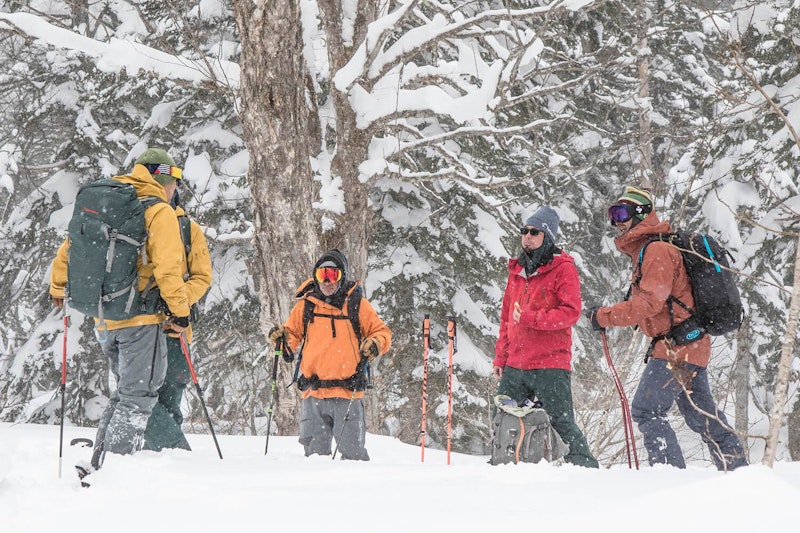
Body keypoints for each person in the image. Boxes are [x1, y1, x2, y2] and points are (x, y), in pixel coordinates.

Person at [585, 185, 748, 471]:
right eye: (612, 214)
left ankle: (667, 475)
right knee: (701, 416)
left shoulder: (657, 250)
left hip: (680, 346)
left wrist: (604, 316)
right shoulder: (647, 251)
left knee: (647, 410)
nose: (616, 221)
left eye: (621, 213)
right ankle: (738, 470)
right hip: (686, 344)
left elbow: (649, 303)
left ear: (641, 214)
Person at [50, 148, 190, 475]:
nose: (175, 190)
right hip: (141, 319)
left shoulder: (107, 205)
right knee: (138, 397)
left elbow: (70, 249)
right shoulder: (158, 210)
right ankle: (114, 469)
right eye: (174, 181)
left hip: (106, 319)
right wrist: (180, 312)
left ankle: (98, 462)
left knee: (124, 395)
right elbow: (168, 271)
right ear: (163, 178)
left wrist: (58, 288)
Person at [493, 206, 599, 468]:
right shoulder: (516, 271)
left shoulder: (563, 269)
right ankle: (502, 465)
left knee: (561, 422)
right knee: (502, 417)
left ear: (548, 236)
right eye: (525, 231)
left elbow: (570, 312)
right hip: (516, 364)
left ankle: (587, 468)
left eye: (535, 232)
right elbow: (507, 316)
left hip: (550, 364)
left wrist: (531, 319)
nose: (527, 236)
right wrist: (501, 356)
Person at [270, 249, 391, 461]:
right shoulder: (306, 305)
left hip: (348, 394)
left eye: (333, 275)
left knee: (354, 459)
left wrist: (375, 344)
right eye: (322, 275)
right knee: (315, 460)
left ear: (342, 276)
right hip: (313, 394)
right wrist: (281, 339)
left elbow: (382, 332)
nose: (327, 281)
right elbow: (292, 336)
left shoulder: (356, 304)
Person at [143, 189, 212, 451]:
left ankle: (162, 459)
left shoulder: (188, 229)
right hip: (141, 327)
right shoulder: (137, 220)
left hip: (174, 328)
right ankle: (172, 450)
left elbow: (202, 277)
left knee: (170, 397)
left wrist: (176, 302)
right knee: (140, 395)